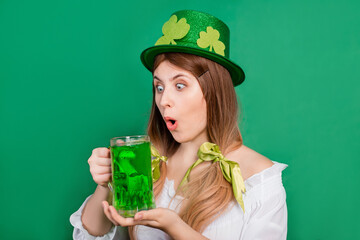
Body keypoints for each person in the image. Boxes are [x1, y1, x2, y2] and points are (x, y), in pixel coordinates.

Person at [70, 9, 288, 240]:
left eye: (180, 85)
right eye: (159, 87)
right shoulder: (147, 163)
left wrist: (174, 226)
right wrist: (105, 185)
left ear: (215, 91)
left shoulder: (258, 178)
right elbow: (91, 235)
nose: (164, 101)